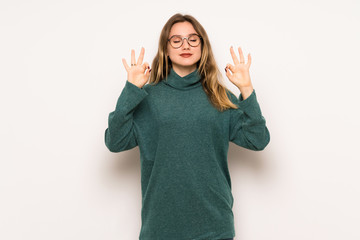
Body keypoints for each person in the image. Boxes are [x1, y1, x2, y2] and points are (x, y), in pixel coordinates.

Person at [104, 13, 270, 240]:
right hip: (160, 228)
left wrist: (247, 89)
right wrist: (131, 90)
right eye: (177, 40)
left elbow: (257, 140)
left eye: (193, 39)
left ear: (203, 46)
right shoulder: (147, 98)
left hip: (215, 226)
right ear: (166, 47)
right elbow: (115, 142)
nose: (185, 45)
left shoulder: (221, 96)